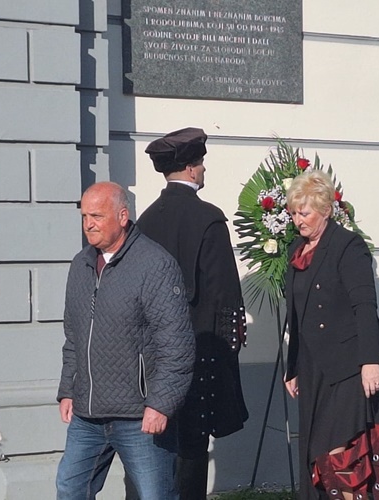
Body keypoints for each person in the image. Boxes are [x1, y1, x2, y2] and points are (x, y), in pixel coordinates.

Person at [55, 182, 195, 500]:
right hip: (88, 415)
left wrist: (160, 404)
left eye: (97, 216)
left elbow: (176, 343)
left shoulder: (154, 264)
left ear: (122, 216)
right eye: (84, 216)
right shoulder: (81, 264)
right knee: (70, 488)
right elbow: (73, 335)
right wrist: (68, 389)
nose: (89, 224)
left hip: (139, 415)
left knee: (156, 495)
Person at [138, 127, 248, 500]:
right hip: (198, 350)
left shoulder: (145, 220)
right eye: (200, 164)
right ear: (190, 168)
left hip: (153, 354)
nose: (203, 170)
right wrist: (228, 350)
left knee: (157, 447)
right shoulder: (208, 218)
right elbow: (225, 294)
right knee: (192, 446)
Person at [283, 170, 379, 500]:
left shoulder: (347, 245)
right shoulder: (297, 249)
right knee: (318, 456)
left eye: (304, 213)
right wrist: (293, 367)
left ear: (325, 209)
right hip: (313, 369)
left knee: (341, 457)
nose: (298, 221)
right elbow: (297, 313)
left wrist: (370, 361)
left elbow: (364, 305)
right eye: (294, 214)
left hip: (348, 368)